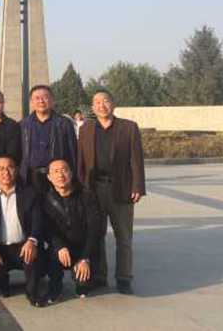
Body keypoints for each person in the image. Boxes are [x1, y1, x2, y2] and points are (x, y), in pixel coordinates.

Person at [77, 89, 146, 295]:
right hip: (94, 188)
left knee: (123, 237)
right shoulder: (86, 128)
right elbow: (80, 160)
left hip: (121, 188)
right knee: (96, 234)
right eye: (97, 102)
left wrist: (137, 186)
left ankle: (124, 278)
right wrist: (81, 187)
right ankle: (99, 276)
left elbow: (136, 160)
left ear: (113, 104)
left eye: (105, 101)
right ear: (93, 107)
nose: (101, 105)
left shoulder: (128, 127)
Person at [0, 155, 51, 307]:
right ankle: (2, 282)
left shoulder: (30, 193)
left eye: (10, 168)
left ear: (17, 170)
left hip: (23, 246)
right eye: (1, 169)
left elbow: (38, 221)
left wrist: (32, 240)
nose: (6, 173)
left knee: (35, 260)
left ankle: (32, 292)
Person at [44, 158, 103, 299]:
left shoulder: (87, 196)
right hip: (62, 249)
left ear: (71, 173)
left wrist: (85, 258)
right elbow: (48, 230)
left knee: (84, 282)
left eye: (64, 170)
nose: (60, 175)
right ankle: (55, 287)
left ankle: (82, 284)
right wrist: (60, 247)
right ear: (49, 177)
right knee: (52, 254)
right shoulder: (46, 200)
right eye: (55, 171)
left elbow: (95, 229)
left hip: (83, 248)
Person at [20, 85, 77, 197]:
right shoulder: (23, 125)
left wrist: (73, 177)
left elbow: (72, 152)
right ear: (31, 102)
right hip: (30, 177)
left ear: (51, 100)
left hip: (58, 177)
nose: (41, 101)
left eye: (45, 97)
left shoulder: (64, 123)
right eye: (37, 98)